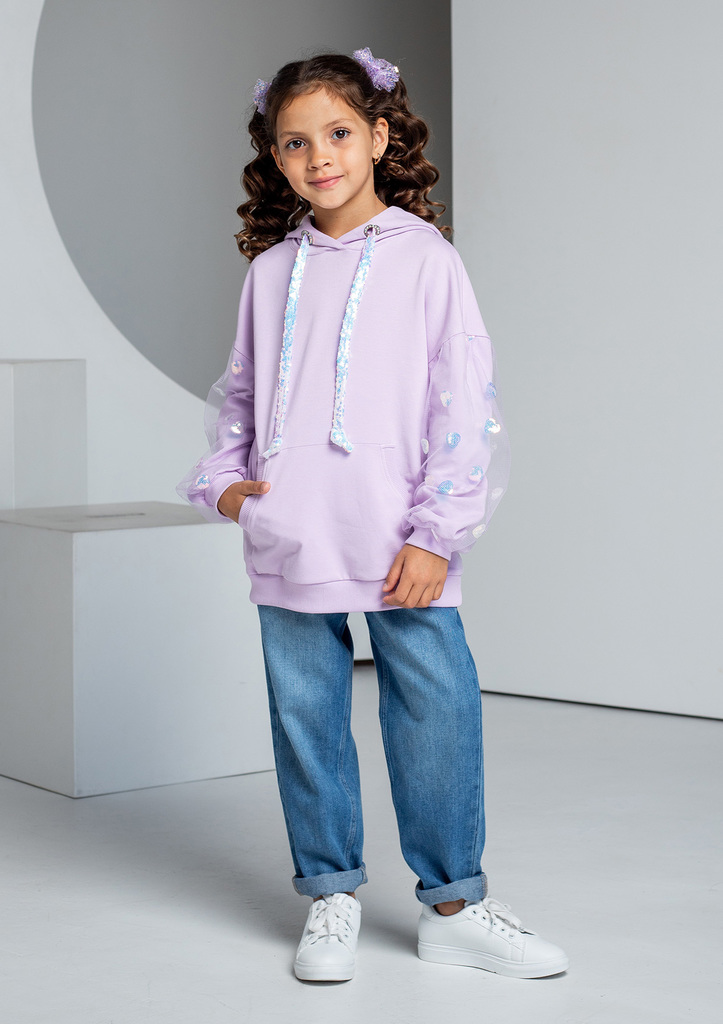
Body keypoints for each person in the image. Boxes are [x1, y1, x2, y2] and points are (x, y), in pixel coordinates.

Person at [177, 46, 568, 983]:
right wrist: (223, 482)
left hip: (401, 538)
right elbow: (240, 395)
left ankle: (453, 906)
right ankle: (330, 896)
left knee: (435, 712)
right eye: (295, 142)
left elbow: (463, 405)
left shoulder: (426, 260)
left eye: (338, 134)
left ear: (380, 137)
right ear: (275, 158)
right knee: (305, 717)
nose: (319, 157)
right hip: (290, 530)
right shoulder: (271, 271)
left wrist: (438, 533)